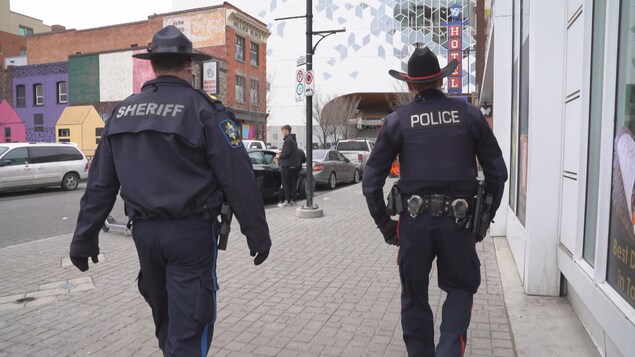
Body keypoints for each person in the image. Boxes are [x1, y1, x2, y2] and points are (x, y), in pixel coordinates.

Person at [68, 25, 272, 356]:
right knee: (191, 325)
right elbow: (239, 179)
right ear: (190, 65)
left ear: (152, 64)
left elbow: (100, 185)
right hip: (191, 236)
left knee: (166, 322)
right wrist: (257, 234)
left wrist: (84, 239)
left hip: (144, 236)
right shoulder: (206, 111)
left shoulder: (121, 113)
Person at [362, 46, 508, 356]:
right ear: (441, 81)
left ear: (410, 85)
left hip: (413, 226)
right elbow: (497, 174)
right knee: (460, 289)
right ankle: (449, 351)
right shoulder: (469, 115)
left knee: (414, 297)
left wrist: (388, 228)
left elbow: (370, 181)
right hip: (460, 223)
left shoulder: (397, 121)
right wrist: (482, 222)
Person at [276, 124, 299, 207]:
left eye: (282, 131)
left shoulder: (287, 140)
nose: (282, 133)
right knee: (293, 183)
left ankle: (287, 200)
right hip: (293, 165)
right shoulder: (293, 140)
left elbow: (286, 153)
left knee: (285, 183)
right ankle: (294, 200)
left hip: (286, 165)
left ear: (286, 130)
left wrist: (279, 155)